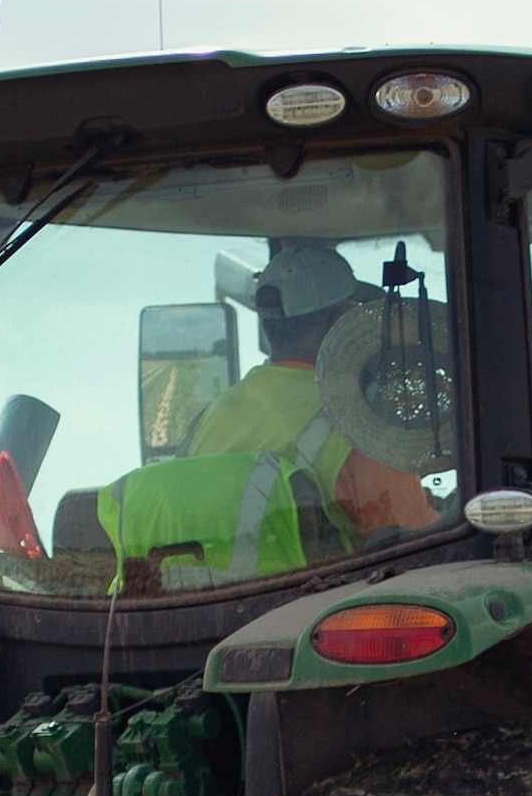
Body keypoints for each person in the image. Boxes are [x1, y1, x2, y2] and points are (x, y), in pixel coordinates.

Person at [87, 238, 451, 579]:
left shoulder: (210, 417)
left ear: (267, 329)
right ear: (339, 321)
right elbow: (416, 545)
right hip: (316, 619)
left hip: (206, 619)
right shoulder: (357, 418)